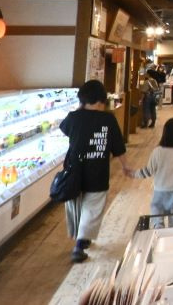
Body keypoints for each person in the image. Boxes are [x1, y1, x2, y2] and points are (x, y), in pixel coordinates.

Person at [60, 80, 132, 263]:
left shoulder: (73, 117)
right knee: (92, 209)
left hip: (73, 171)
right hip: (97, 172)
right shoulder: (108, 119)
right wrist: (125, 166)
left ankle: (81, 239)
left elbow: (64, 130)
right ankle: (80, 244)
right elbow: (118, 146)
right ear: (101, 101)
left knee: (76, 206)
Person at [131, 118, 173, 228]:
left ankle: (158, 236)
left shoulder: (158, 152)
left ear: (165, 133)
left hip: (161, 191)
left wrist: (133, 173)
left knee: (157, 222)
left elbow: (148, 171)